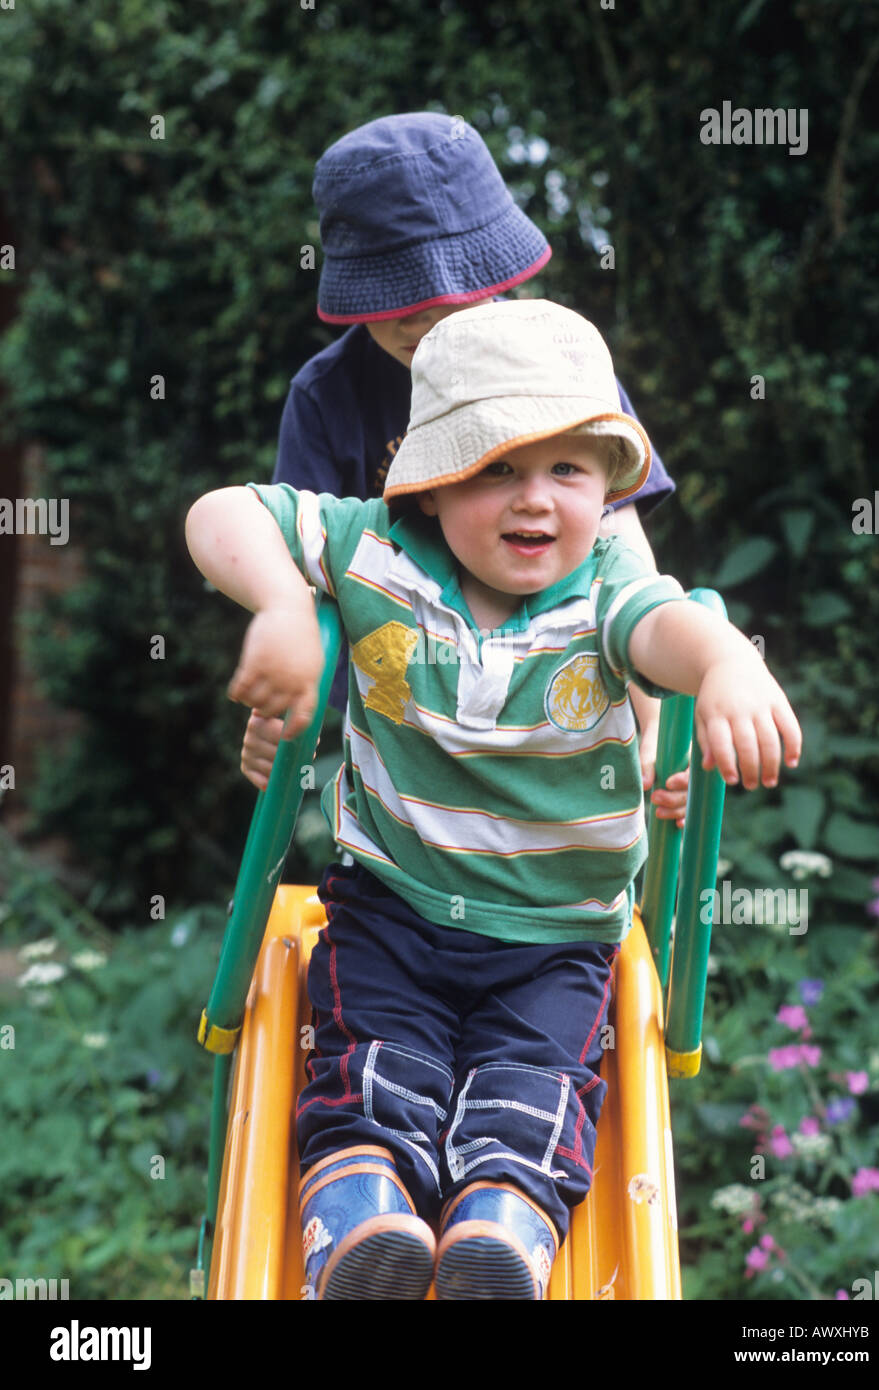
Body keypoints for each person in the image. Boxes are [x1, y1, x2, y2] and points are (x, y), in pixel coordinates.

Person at [185, 298, 802, 1300]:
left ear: (605, 487)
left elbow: (671, 633)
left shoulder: (605, 591)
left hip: (554, 939)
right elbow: (218, 513)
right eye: (495, 469)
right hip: (393, 908)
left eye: (566, 469)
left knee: (536, 1091)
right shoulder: (370, 548)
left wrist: (727, 662)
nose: (533, 500)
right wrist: (287, 602)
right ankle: (362, 1218)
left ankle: (498, 1231)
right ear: (426, 484)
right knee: (367, 1067)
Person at [241, 111, 687, 824]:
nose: (428, 320)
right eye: (400, 304)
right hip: (412, 696)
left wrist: (656, 723)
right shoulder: (328, 397)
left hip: (558, 667)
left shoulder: (559, 361)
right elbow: (297, 559)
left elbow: (618, 546)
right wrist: (282, 683)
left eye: (452, 295)